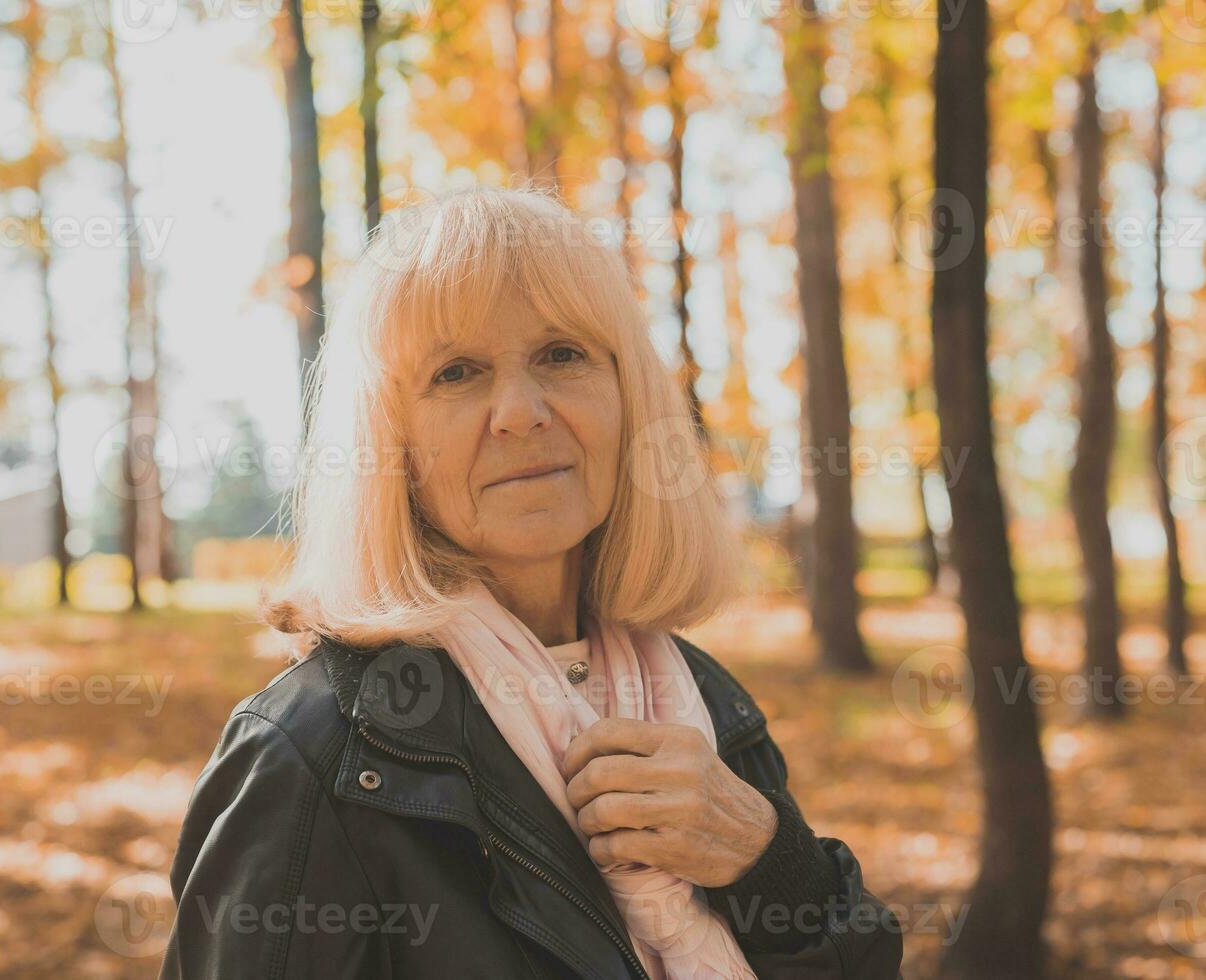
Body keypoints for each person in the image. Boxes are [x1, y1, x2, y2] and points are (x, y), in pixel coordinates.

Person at [159, 186, 904, 979]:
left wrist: (774, 861)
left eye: (561, 354)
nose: (520, 411)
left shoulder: (707, 701)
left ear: (629, 398)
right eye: (456, 372)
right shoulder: (313, 757)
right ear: (391, 446)